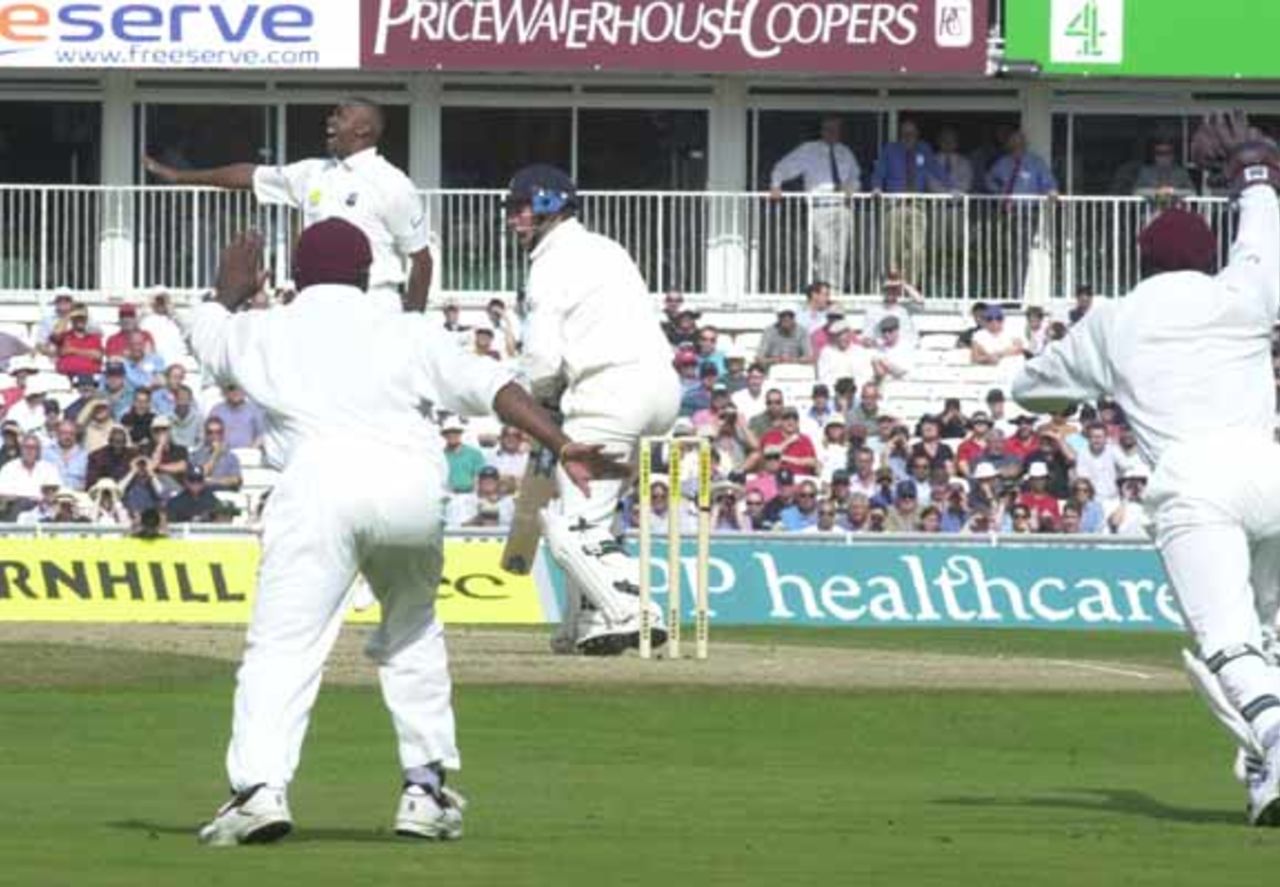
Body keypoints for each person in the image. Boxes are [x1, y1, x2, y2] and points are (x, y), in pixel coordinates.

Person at [187, 221, 622, 846]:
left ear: (294, 277)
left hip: (317, 488)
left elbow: (206, 334)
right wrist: (560, 443)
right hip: (410, 490)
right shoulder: (408, 329)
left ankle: (259, 791)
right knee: (414, 632)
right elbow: (492, 386)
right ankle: (424, 791)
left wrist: (226, 291)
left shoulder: (260, 328)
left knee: (283, 647)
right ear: (367, 276)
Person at [1011, 114, 1280, 826]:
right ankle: (1263, 774)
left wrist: (1081, 381)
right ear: (1204, 255)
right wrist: (1253, 176)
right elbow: (1264, 232)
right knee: (1272, 639)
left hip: (1194, 486)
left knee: (1228, 640)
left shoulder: (1114, 320)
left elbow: (1031, 389)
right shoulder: (1242, 291)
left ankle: (1278, 748)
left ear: (1143, 260)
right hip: (1270, 470)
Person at [506, 164, 681, 656]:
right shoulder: (609, 248)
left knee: (570, 525)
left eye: (519, 208)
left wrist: (540, 403)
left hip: (607, 392)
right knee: (597, 517)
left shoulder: (548, 264)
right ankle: (584, 622)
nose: (512, 220)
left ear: (547, 206)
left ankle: (632, 609)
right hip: (661, 389)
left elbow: (542, 356)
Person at [145, 98, 433, 314]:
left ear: (363, 129)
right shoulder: (312, 172)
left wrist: (413, 327)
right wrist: (179, 175)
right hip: (316, 303)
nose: (330, 121)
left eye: (340, 117)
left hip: (374, 304)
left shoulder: (393, 183)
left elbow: (421, 261)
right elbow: (249, 175)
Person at [769, 116, 861, 290]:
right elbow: (783, 167)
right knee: (824, 252)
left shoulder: (845, 152)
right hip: (820, 207)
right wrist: (776, 185)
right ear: (822, 131)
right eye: (829, 129)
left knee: (840, 253)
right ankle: (822, 289)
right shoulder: (809, 150)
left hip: (842, 207)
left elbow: (855, 176)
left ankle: (836, 290)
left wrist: (852, 189)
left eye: (836, 129)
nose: (833, 133)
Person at [871, 119, 949, 285]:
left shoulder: (924, 149)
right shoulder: (890, 149)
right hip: (894, 204)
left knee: (916, 249)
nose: (908, 137)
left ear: (917, 134)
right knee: (892, 247)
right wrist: (877, 187)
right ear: (900, 134)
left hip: (916, 205)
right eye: (905, 133)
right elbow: (880, 171)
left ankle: (910, 284)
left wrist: (952, 188)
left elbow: (936, 169)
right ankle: (891, 284)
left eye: (912, 133)